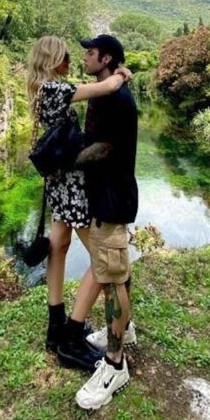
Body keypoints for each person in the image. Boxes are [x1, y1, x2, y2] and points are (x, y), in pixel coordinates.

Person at [27, 36, 133, 372]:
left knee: (58, 245)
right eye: (66, 57)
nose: (71, 61)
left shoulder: (42, 88)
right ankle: (72, 338)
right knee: (102, 259)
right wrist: (121, 74)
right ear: (53, 59)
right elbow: (105, 87)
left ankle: (55, 324)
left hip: (57, 181)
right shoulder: (54, 89)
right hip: (71, 184)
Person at [71, 34, 139, 411]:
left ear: (107, 58)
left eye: (91, 53)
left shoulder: (116, 98)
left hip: (112, 200)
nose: (85, 57)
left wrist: (66, 159)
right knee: (115, 268)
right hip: (105, 197)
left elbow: (105, 148)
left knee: (112, 278)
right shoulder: (105, 91)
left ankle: (115, 365)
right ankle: (123, 330)